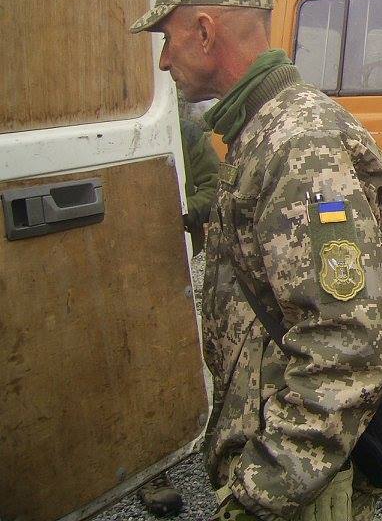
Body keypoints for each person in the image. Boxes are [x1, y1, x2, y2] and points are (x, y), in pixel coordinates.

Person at [130, 0, 382, 521]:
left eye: (168, 37)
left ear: (206, 32)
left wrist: (261, 492)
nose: (163, 60)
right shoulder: (264, 131)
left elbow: (346, 345)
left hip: (299, 487)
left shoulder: (295, 143)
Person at [137, 112, 220, 517]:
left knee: (166, 352)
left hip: (171, 259)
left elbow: (213, 182)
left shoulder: (184, 129)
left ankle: (160, 458)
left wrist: (184, 215)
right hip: (114, 251)